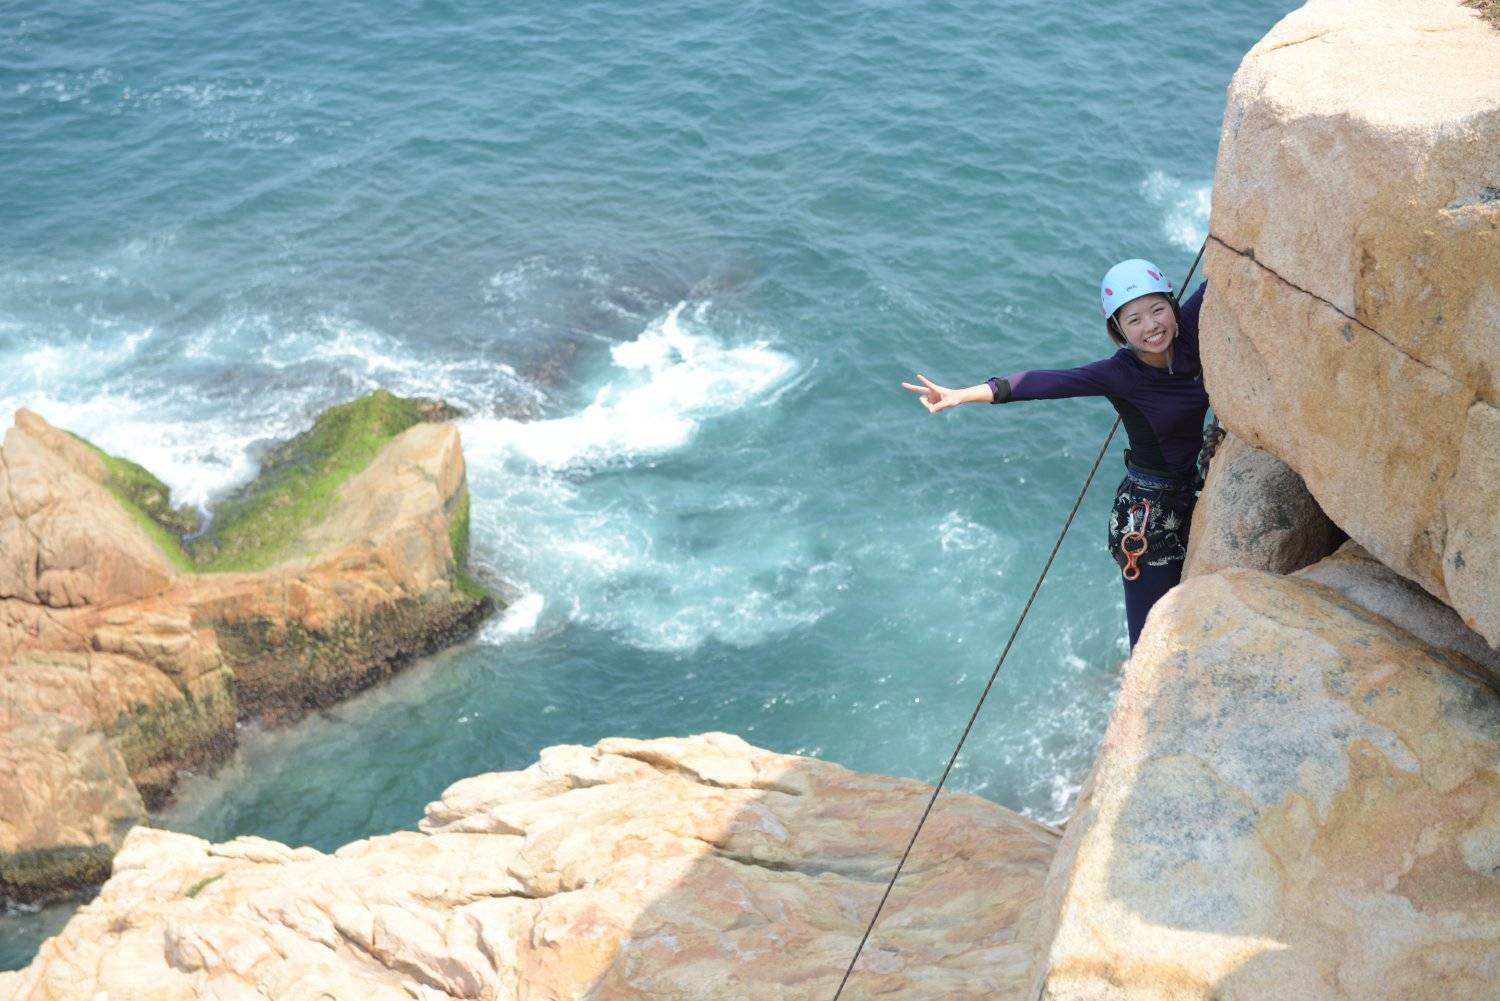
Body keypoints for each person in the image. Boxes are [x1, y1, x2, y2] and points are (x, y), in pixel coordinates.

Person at [902, 259, 1210, 650]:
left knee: (1189, 618)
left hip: (1190, 491)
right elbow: (1042, 383)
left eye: (1157, 309)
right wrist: (961, 395)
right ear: (1118, 330)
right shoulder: (1120, 374)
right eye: (1134, 319)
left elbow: (1222, 270)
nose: (1151, 326)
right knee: (1151, 639)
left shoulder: (1189, 334)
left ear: (1172, 303)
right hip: (1148, 520)